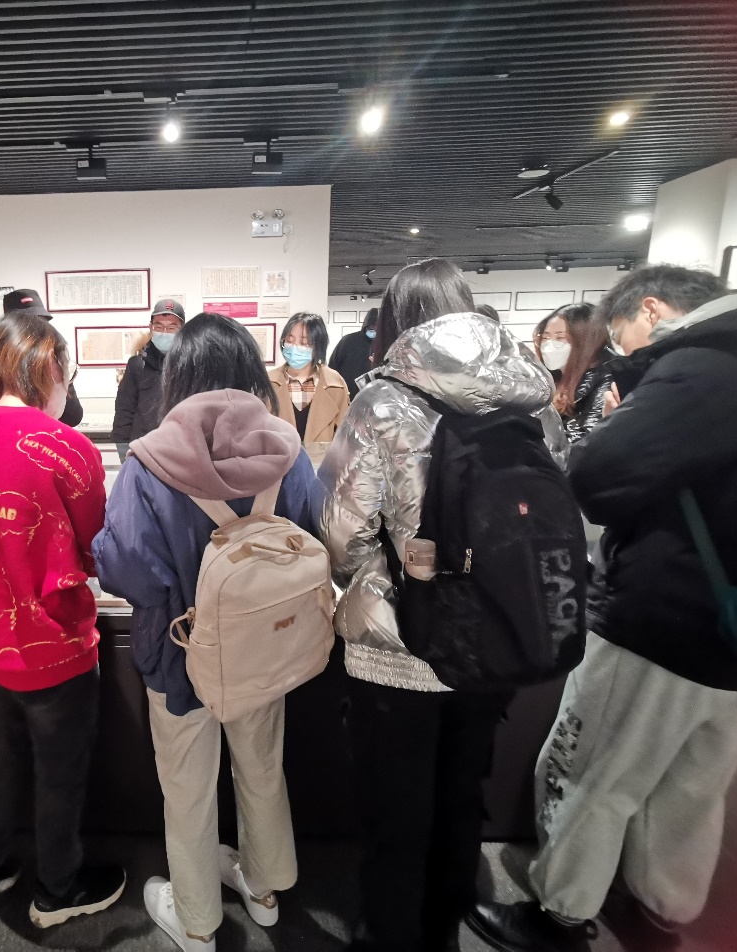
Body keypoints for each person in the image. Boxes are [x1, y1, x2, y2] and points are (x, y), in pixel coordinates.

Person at [468, 266, 737, 952]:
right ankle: (662, 905)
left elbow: (594, 477)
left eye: (620, 335)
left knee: (593, 767)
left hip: (660, 612)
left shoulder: (700, 368)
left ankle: (559, 912)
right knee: (691, 780)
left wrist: (620, 421)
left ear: (651, 309)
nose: (620, 349)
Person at [319, 258, 563, 952]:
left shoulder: (381, 402)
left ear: (394, 322)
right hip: (495, 635)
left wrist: (384, 572)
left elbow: (341, 533)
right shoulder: (532, 401)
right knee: (462, 788)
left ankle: (392, 933)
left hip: (400, 646)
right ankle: (445, 922)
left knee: (395, 804)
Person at [94, 313, 323, 952]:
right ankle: (266, 891)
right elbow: (313, 539)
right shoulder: (287, 451)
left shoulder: (150, 461)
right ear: (252, 369)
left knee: (188, 790)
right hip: (265, 650)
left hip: (178, 655)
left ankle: (198, 922)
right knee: (262, 770)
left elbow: (125, 568)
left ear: (177, 376)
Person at [0, 311, 125, 928]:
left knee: (6, 753)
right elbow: (97, 545)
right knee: (60, 772)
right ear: (51, 367)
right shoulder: (69, 447)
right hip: (55, 646)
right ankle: (57, 891)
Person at [0, 289, 82, 426]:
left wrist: (59, 376)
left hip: (50, 433)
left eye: (41, 323)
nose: (37, 332)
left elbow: (73, 416)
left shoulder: (55, 360)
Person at [111, 298, 185, 446]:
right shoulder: (137, 365)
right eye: (159, 326)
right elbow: (124, 412)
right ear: (151, 327)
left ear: (182, 330)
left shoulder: (190, 365)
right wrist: (121, 449)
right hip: (142, 448)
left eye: (171, 327)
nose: (164, 332)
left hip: (179, 448)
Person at [269, 312, 350, 443]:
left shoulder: (336, 384)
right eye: (289, 341)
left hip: (322, 456)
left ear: (318, 347)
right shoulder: (267, 383)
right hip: (278, 455)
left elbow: (344, 436)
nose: (294, 348)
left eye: (304, 343)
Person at [546, 303, 614, 443]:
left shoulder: (605, 379)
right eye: (546, 337)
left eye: (560, 338)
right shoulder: (554, 377)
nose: (548, 346)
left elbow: (586, 440)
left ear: (585, 340)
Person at [329, 307, 380, 397]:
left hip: (374, 397)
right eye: (371, 326)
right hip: (346, 396)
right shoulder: (348, 341)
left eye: (377, 326)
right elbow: (333, 367)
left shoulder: (385, 344)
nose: (373, 329)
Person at [533, 309, 572, 379]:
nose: (549, 347)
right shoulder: (549, 380)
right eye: (545, 337)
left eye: (560, 337)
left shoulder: (590, 383)